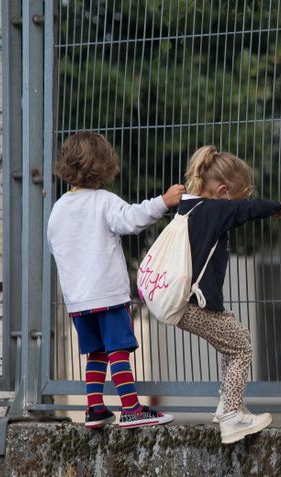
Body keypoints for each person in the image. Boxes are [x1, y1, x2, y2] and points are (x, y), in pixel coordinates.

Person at [47, 132, 182, 429]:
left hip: (77, 300)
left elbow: (56, 246)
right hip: (108, 294)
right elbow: (132, 220)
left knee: (95, 352)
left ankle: (94, 408)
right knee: (118, 348)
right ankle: (132, 409)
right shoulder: (104, 202)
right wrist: (164, 201)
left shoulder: (58, 209)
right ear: (104, 165)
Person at [174, 145, 281, 444]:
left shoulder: (188, 207)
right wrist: (276, 206)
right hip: (195, 303)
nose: (242, 203)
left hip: (185, 301)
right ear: (223, 191)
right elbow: (245, 211)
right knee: (241, 347)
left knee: (234, 342)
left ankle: (227, 405)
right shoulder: (214, 209)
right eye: (240, 197)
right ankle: (231, 415)